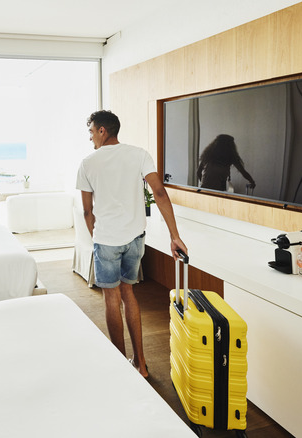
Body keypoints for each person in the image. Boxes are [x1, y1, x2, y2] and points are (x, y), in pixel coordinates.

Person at [76, 110, 188, 378]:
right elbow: (159, 192)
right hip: (136, 238)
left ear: (103, 130)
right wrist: (175, 236)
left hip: (107, 240)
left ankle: (122, 370)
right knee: (129, 293)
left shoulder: (88, 163)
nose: (90, 137)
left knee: (111, 298)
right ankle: (141, 364)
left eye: (91, 131)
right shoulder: (139, 154)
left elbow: (87, 211)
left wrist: (96, 237)